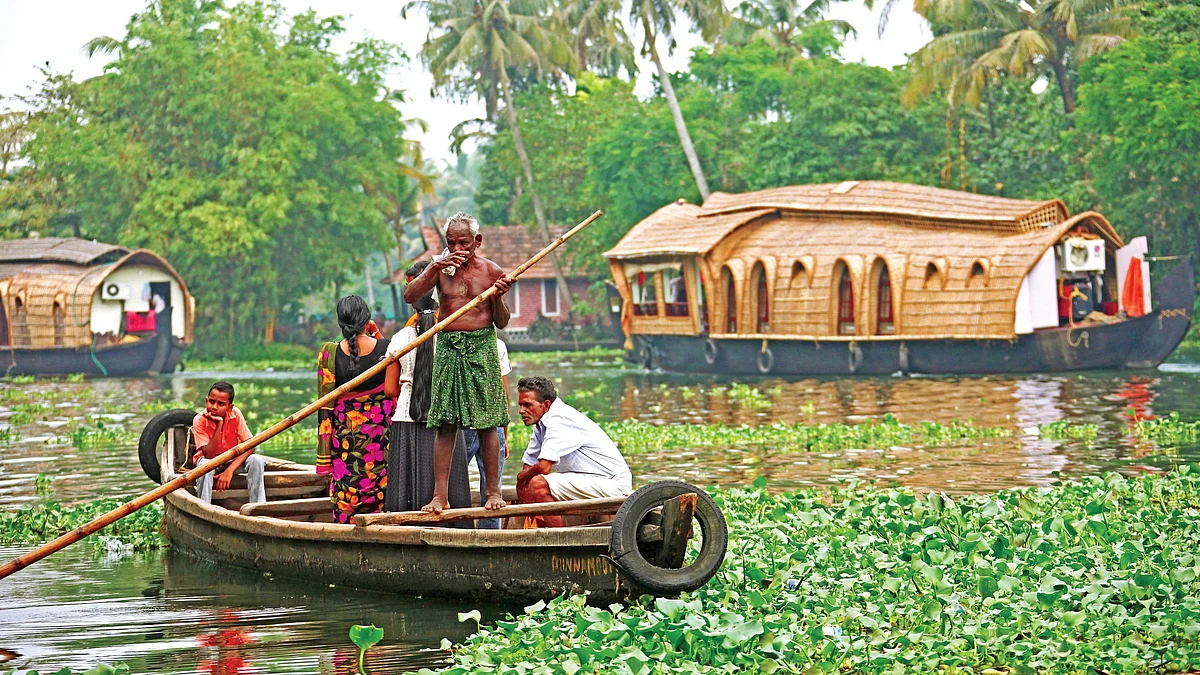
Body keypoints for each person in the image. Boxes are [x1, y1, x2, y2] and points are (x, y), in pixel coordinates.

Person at [403, 212, 512, 513]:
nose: (457, 250)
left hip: (481, 347)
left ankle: (493, 491)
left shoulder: (492, 271)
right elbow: (410, 295)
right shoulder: (441, 269)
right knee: (446, 423)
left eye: (463, 243)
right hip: (449, 346)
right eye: (451, 243)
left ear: (477, 242)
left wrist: (499, 297)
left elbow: (501, 322)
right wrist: (433, 268)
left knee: (488, 423)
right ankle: (441, 495)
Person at [384, 288, 472, 517]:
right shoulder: (451, 335)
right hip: (446, 420)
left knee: (406, 495)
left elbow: (390, 388)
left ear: (412, 308)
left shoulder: (400, 339)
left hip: (406, 417)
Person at [316, 295, 401, 524]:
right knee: (382, 485)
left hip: (345, 438)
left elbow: (325, 407)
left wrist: (324, 457)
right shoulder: (387, 346)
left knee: (347, 489)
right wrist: (377, 334)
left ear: (340, 323)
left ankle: (346, 528)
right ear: (367, 321)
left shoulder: (329, 352)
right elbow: (396, 367)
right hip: (382, 436)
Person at [515, 376, 633, 527]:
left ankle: (561, 540)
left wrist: (522, 477)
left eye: (527, 405)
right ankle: (544, 530)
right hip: (592, 481)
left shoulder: (559, 419)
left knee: (538, 484)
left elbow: (544, 468)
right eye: (520, 405)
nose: (521, 411)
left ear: (545, 405)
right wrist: (523, 485)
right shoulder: (541, 424)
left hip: (613, 484)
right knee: (532, 484)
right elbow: (528, 467)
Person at [462, 336, 511, 528]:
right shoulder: (496, 344)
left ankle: (458, 531)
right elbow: (503, 394)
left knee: (454, 483)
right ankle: (490, 536)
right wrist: (504, 435)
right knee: (492, 489)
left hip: (463, 421)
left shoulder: (452, 341)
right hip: (489, 421)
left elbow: (503, 393)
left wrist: (503, 436)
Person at [192, 381, 265, 505]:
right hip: (209, 461)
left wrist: (229, 471)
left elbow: (250, 446)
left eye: (221, 404)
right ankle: (204, 506)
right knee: (205, 466)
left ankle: (258, 506)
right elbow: (209, 454)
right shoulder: (199, 420)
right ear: (206, 401)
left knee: (257, 461)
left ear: (229, 407)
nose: (214, 407)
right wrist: (219, 425)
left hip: (231, 460)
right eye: (211, 401)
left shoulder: (235, 413)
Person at [403, 261, 431, 329]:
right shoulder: (411, 322)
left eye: (413, 286)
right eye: (408, 287)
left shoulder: (447, 316)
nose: (409, 292)